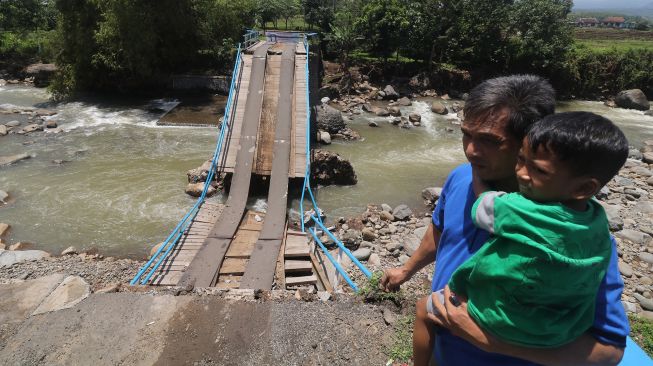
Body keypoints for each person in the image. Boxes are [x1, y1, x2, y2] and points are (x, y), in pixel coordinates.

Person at [380, 75, 629, 366]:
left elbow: (609, 350)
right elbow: (440, 230)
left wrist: (495, 343)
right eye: (466, 134)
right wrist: (406, 270)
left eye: (488, 140)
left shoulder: (575, 236)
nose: (471, 150)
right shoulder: (460, 177)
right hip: (442, 352)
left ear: (531, 140)